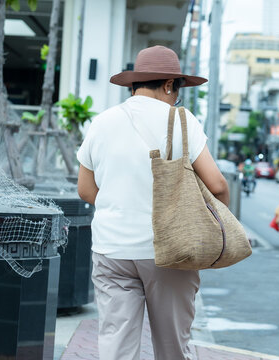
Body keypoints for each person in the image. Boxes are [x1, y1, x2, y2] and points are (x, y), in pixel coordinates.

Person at [77, 45, 229, 360]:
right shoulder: (181, 121)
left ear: (133, 85)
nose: (176, 99)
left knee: (116, 347)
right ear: (168, 85)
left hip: (111, 250)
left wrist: (121, 206)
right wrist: (213, 232)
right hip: (169, 252)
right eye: (177, 91)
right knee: (173, 347)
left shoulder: (102, 122)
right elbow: (217, 185)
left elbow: (85, 189)